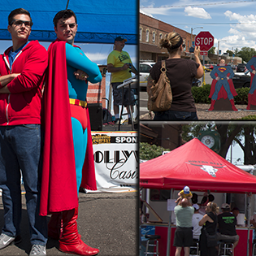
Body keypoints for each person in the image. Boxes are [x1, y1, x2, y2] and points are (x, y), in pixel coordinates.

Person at [39, 9, 102, 256]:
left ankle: (56, 225)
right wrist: (88, 73)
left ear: (77, 26)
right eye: (63, 26)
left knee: (68, 172)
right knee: (71, 176)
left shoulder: (64, 50)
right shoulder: (66, 49)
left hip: (76, 114)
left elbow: (94, 75)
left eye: (72, 25)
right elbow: (96, 74)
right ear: (55, 29)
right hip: (72, 115)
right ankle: (69, 236)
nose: (68, 29)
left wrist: (86, 73)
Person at [0, 8, 48, 255]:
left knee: (32, 185)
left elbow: (29, 81)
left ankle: (38, 238)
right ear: (8, 27)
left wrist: (4, 83)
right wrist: (13, 77)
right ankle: (9, 230)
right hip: (2, 126)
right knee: (7, 184)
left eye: (27, 23)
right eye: (18, 23)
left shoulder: (37, 51)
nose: (23, 27)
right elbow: (21, 81)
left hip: (28, 124)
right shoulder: (2, 56)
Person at [148, 32, 204, 121]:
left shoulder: (157, 66)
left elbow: (150, 88)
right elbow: (200, 74)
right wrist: (196, 56)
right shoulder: (189, 64)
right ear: (181, 47)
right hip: (185, 111)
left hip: (162, 112)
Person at [107, 36, 138, 124]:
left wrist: (136, 73)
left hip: (128, 81)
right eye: (121, 42)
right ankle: (117, 118)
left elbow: (131, 66)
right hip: (117, 81)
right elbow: (109, 68)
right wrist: (121, 68)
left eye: (124, 42)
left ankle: (130, 118)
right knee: (117, 100)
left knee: (130, 100)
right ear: (116, 43)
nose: (123, 44)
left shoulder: (126, 53)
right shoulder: (112, 54)